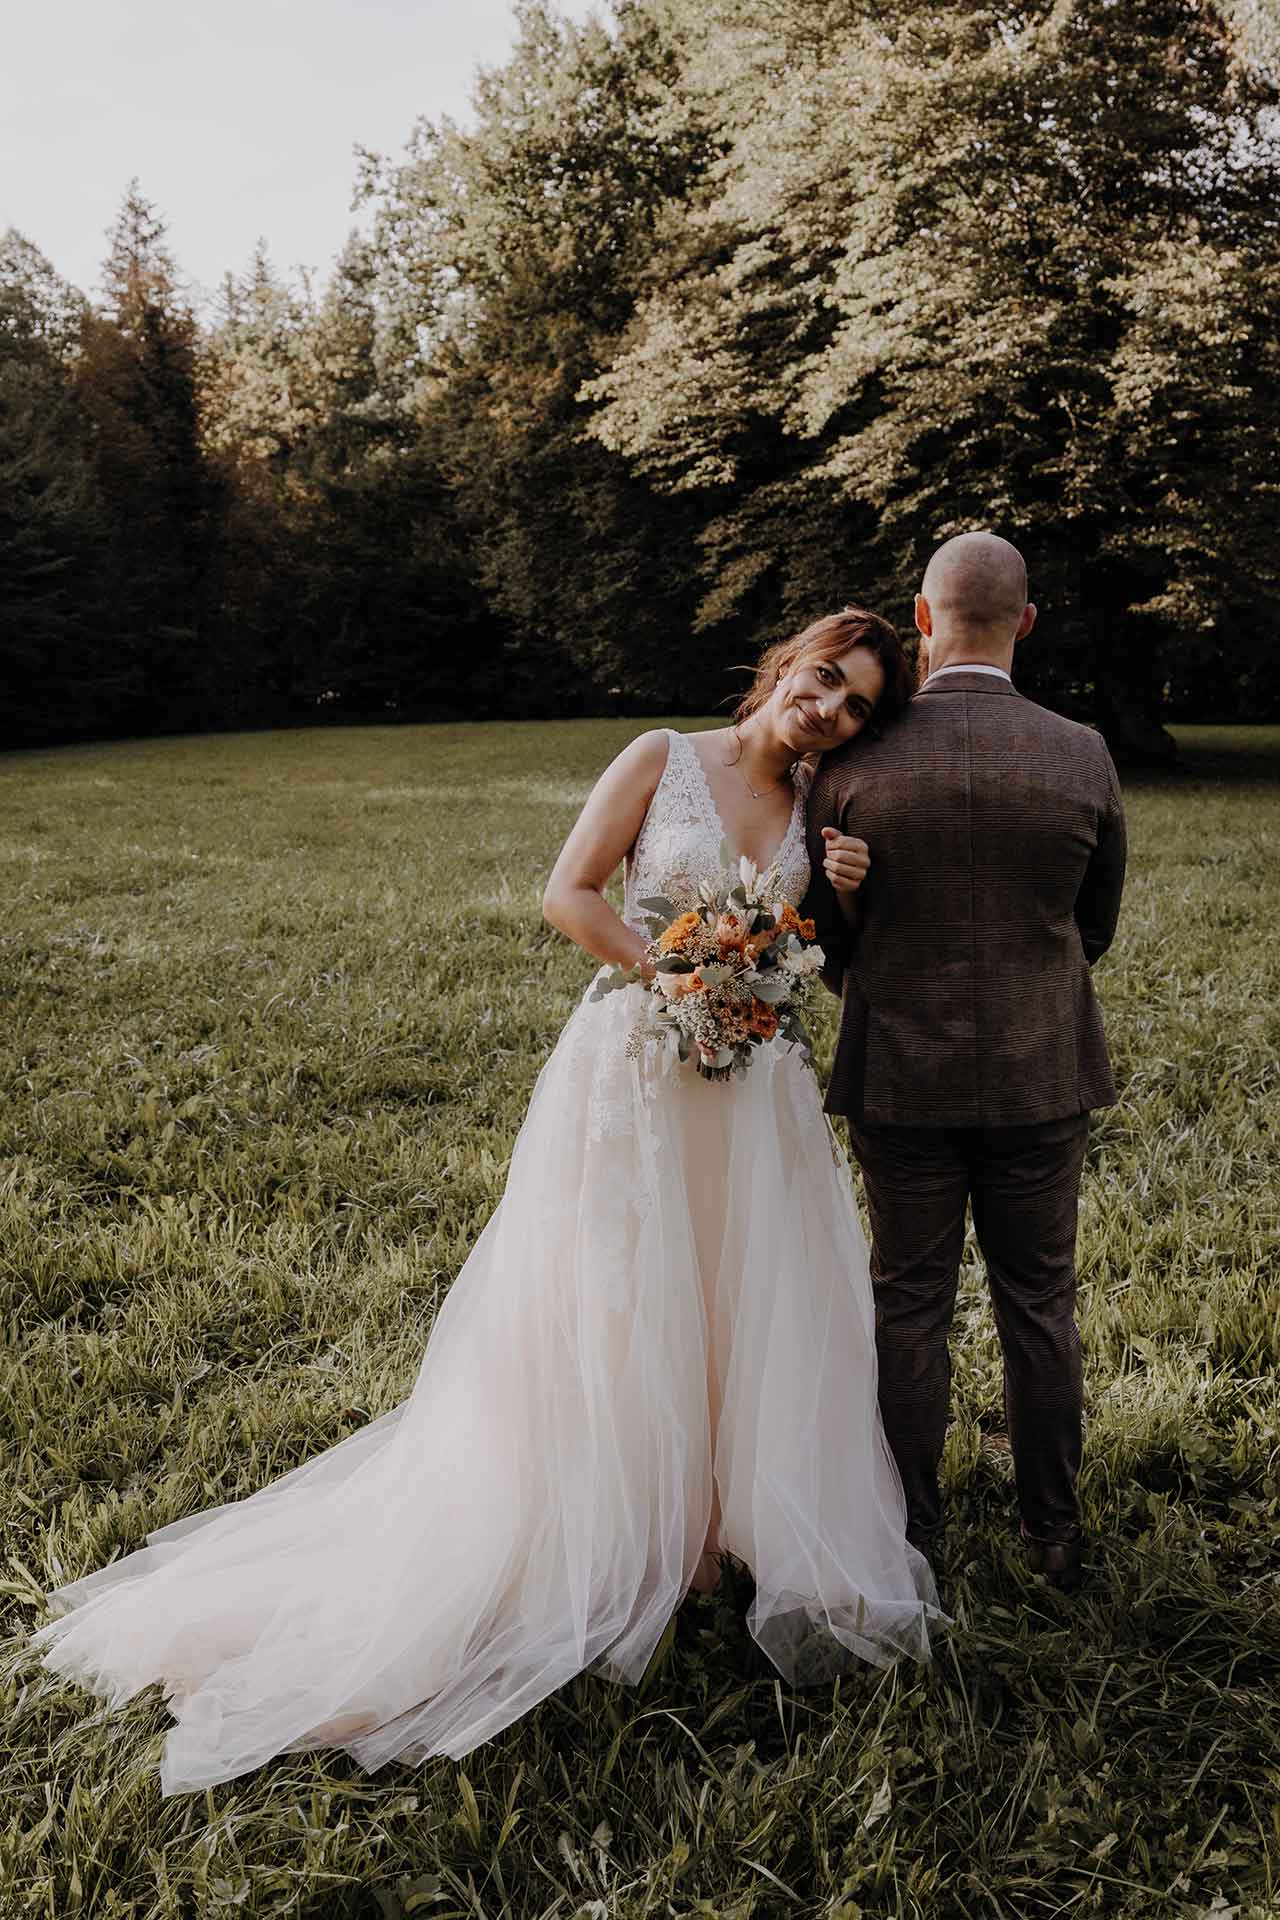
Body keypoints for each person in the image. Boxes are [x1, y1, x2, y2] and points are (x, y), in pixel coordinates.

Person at [32, 607, 943, 1797]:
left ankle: (715, 1526)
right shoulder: (661, 758)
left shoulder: (823, 815)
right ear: (786, 668)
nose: (827, 708)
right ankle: (621, 1516)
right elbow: (566, 894)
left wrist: (843, 896)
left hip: (749, 1084)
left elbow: (814, 948)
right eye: (823, 679)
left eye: (857, 704)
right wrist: (671, 969)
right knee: (619, 1296)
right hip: (635, 1069)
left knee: (741, 1292)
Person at [806, 534, 1127, 1592]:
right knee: (1038, 1302)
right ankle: (1051, 1536)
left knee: (909, 1304)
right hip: (1040, 1076)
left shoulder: (852, 763)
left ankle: (907, 1538)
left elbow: (826, 949)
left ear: (922, 619)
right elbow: (1095, 927)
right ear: (1024, 622)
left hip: (900, 1076)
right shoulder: (1080, 752)